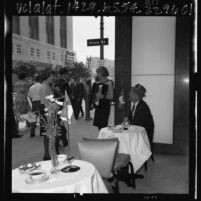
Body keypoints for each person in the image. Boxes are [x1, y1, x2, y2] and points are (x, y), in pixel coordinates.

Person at [124, 84, 155, 155]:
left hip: (144, 137)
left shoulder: (142, 107)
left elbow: (138, 124)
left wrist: (127, 123)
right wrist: (126, 118)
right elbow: (129, 117)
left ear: (137, 95)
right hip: (138, 134)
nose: (129, 94)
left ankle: (129, 160)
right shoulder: (136, 105)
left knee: (125, 141)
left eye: (131, 92)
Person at [39, 71, 54, 161]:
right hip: (47, 110)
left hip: (47, 109)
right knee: (47, 132)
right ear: (47, 77)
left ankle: (48, 153)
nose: (53, 78)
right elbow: (45, 101)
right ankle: (47, 154)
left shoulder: (47, 86)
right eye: (51, 76)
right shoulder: (44, 86)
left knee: (49, 132)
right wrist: (51, 111)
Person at [93, 67, 114, 131]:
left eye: (98, 73)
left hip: (105, 106)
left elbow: (111, 96)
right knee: (99, 125)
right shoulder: (99, 82)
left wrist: (102, 96)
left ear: (102, 73)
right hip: (98, 106)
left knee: (103, 126)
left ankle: (103, 139)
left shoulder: (109, 82)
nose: (97, 75)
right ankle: (101, 138)